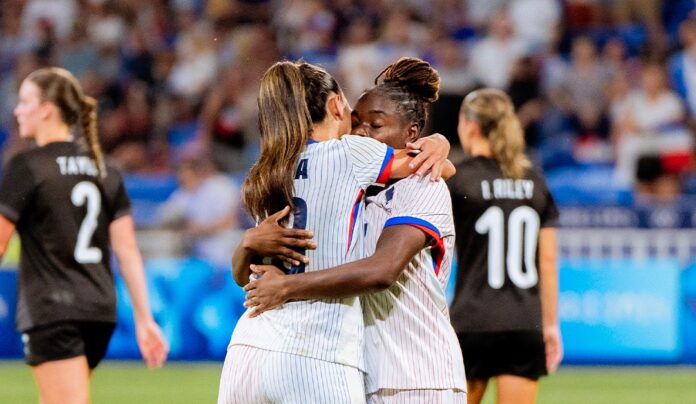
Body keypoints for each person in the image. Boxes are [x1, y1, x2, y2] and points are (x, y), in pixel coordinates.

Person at [217, 60, 453, 403]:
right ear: (335, 105)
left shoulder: (268, 170)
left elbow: (245, 276)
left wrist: (245, 244)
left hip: (248, 349)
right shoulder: (352, 153)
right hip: (317, 349)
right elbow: (431, 167)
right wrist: (440, 143)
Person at [0, 67, 168, 404]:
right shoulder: (106, 168)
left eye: (25, 102)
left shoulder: (27, 166)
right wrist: (144, 318)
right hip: (99, 310)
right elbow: (128, 251)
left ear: (46, 108)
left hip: (53, 309)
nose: (18, 110)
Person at [447, 88, 562, 404]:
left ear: (470, 125)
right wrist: (550, 326)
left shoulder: (459, 180)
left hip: (471, 321)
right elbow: (548, 261)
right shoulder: (534, 181)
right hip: (524, 323)